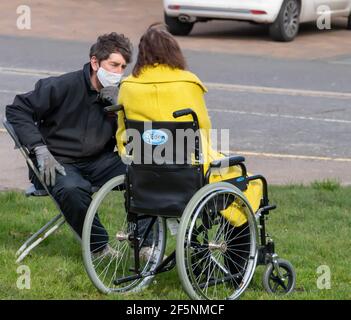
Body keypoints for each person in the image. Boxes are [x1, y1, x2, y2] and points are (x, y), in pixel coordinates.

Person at [115, 24, 263, 280]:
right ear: (173, 51)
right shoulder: (187, 83)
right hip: (189, 169)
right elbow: (202, 130)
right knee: (247, 183)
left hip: (146, 172)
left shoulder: (128, 86)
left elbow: (122, 136)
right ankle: (237, 266)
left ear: (143, 54)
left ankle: (203, 256)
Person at [6, 32, 138, 255]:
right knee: (71, 188)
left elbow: (135, 138)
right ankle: (99, 247)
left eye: (123, 67)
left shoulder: (122, 93)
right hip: (56, 161)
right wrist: (38, 147)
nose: (118, 73)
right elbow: (17, 110)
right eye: (113, 65)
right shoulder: (62, 85)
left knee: (145, 172)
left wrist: (120, 108)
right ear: (95, 62)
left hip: (99, 161)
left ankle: (145, 242)